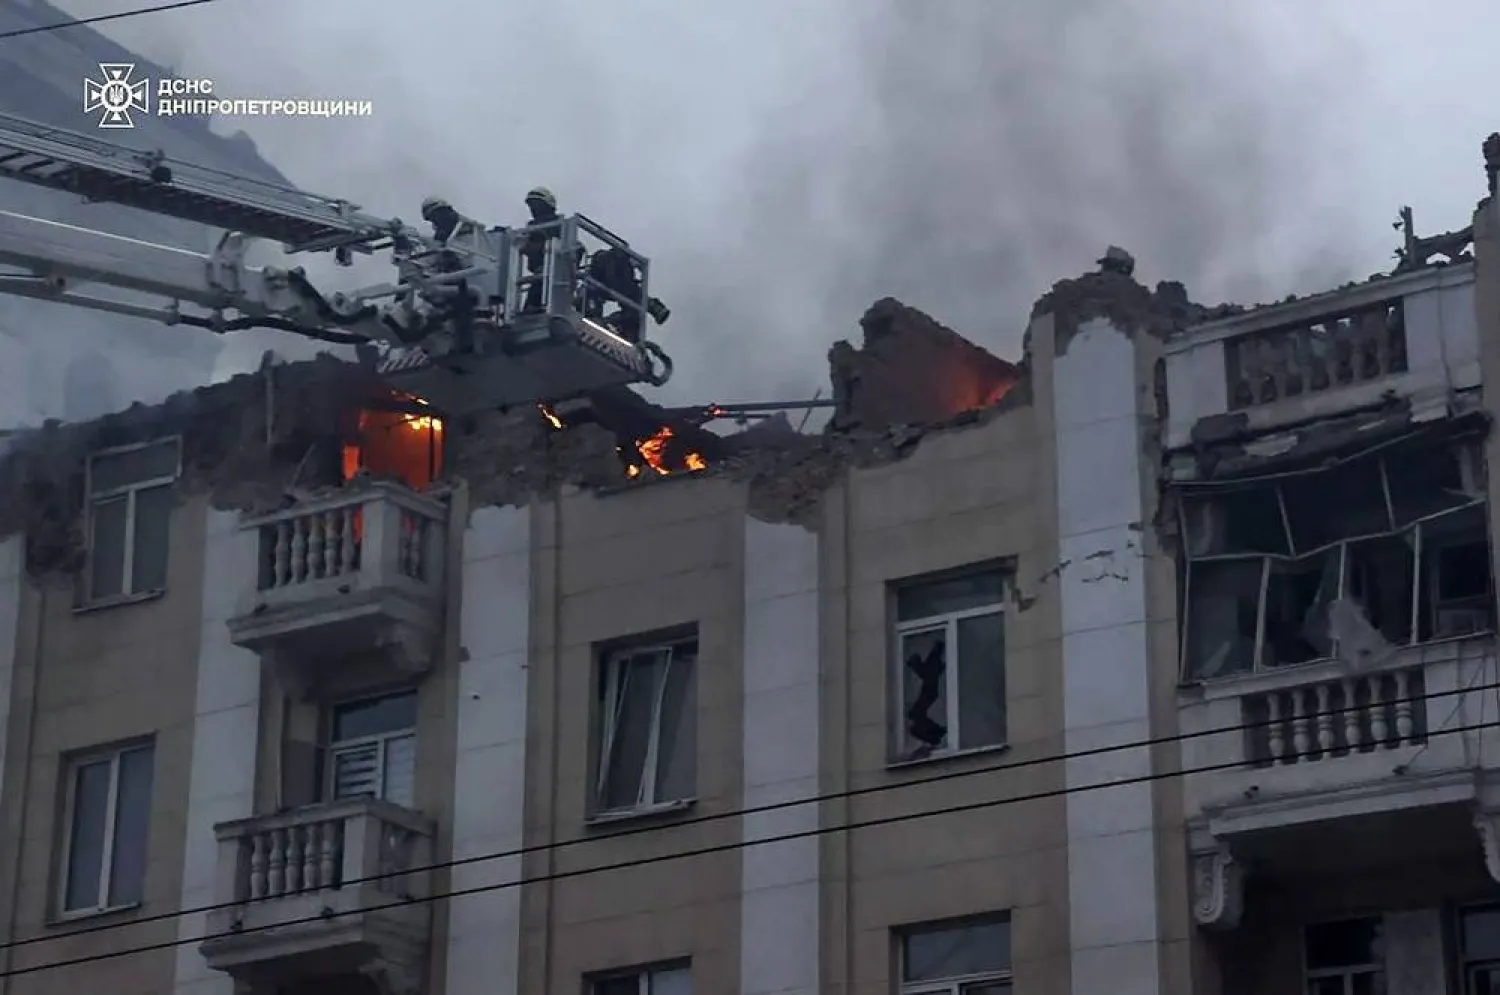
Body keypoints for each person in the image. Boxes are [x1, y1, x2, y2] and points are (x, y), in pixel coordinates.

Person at [520, 186, 558, 311]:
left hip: (550, 275)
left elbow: (529, 246)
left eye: (537, 205)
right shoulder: (534, 226)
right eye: (532, 206)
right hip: (541, 275)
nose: (533, 209)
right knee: (531, 310)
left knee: (532, 309)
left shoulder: (555, 225)